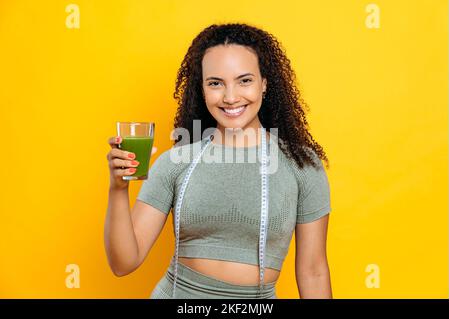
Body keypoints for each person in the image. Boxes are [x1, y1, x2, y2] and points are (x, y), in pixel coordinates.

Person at [104, 23, 332, 299]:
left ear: (264, 84)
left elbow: (313, 272)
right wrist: (118, 188)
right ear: (201, 89)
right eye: (215, 83)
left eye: (244, 80)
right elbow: (123, 263)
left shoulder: (301, 165)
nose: (231, 97)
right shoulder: (176, 162)